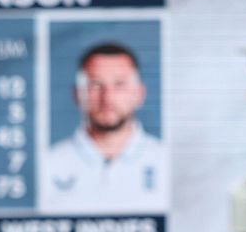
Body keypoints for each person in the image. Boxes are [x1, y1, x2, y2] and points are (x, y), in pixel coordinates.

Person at [42, 42, 169, 214]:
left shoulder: (167, 162)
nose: (107, 97)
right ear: (78, 94)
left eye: (119, 84)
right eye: (95, 85)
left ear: (139, 94)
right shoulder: (48, 165)